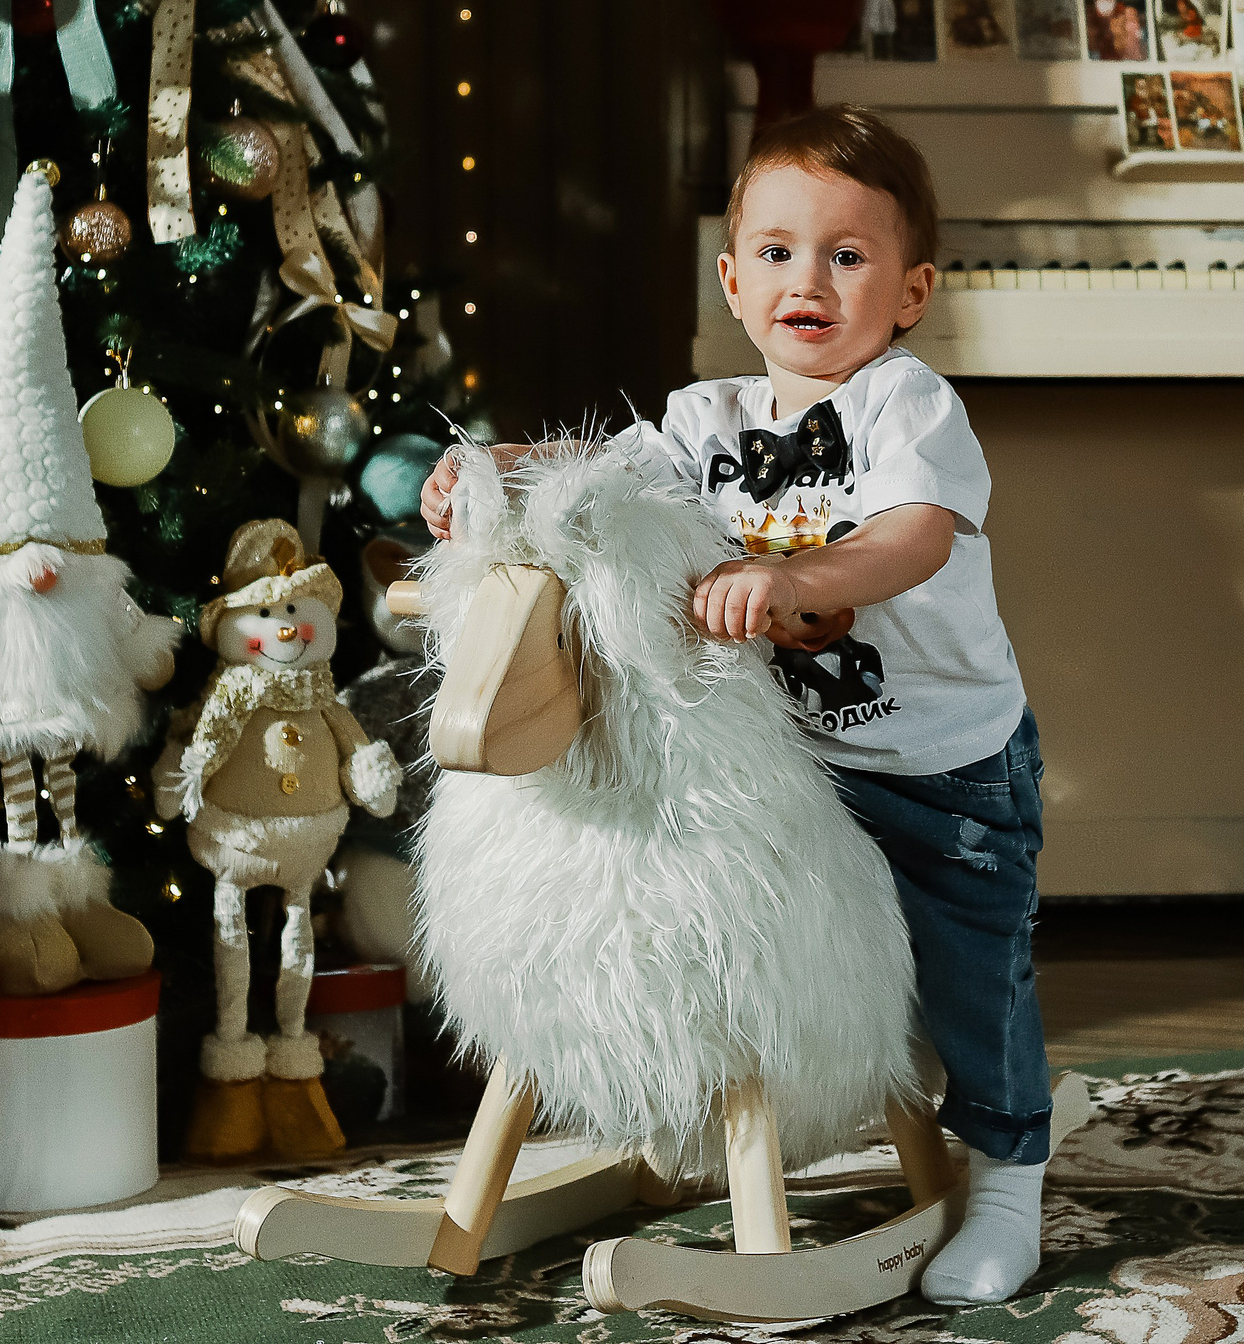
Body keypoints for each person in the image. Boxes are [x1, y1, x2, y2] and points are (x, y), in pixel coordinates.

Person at [422, 104, 1052, 1307]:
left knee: (970, 976)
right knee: (778, 954)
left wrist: (800, 577)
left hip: (943, 765)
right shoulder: (700, 422)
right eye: (776, 251)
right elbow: (596, 484)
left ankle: (1010, 1180)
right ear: (732, 280)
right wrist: (490, 471)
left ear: (910, 291)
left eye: (847, 255)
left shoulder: (905, 405)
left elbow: (914, 536)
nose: (806, 280)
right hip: (789, 773)